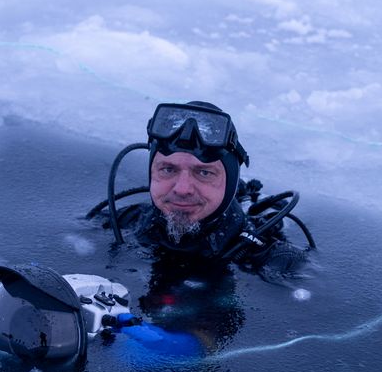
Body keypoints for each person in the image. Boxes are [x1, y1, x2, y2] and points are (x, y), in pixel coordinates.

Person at [95, 100, 314, 278]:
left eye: (204, 173)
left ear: (230, 183)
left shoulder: (271, 258)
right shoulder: (125, 221)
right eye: (168, 169)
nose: (182, 189)